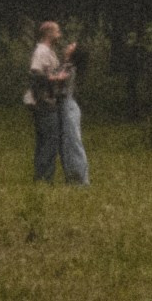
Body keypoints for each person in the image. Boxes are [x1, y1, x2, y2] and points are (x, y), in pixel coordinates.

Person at [25, 19, 70, 182]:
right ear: (49, 34)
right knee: (50, 139)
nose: (59, 34)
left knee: (45, 139)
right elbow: (36, 76)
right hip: (44, 102)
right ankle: (45, 177)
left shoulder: (50, 52)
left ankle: (41, 175)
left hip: (49, 100)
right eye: (57, 31)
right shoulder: (41, 52)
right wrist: (56, 78)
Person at [55, 29, 91, 187]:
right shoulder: (65, 65)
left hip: (68, 105)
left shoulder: (69, 67)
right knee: (66, 142)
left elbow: (59, 85)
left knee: (73, 141)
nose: (68, 46)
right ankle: (72, 177)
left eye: (72, 46)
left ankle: (81, 179)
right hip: (65, 105)